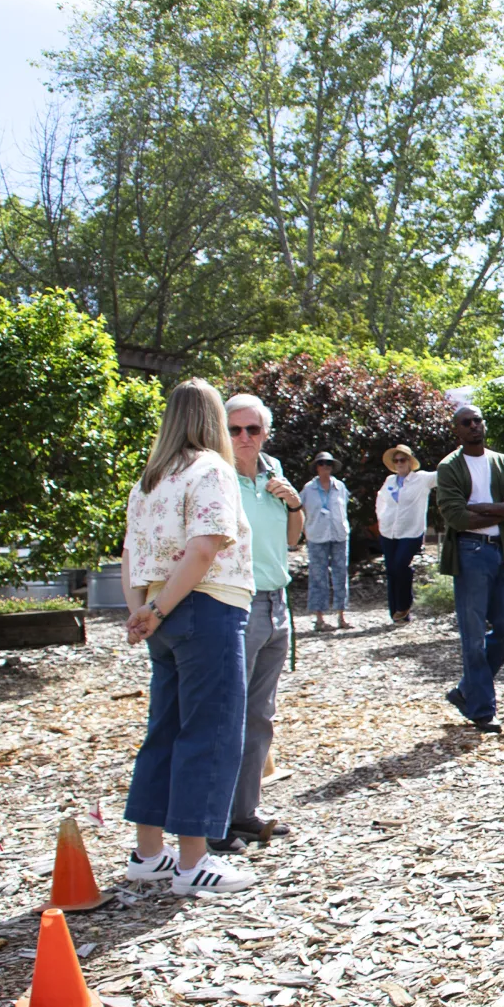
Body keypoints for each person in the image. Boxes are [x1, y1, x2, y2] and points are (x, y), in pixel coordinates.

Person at [120, 379, 258, 896]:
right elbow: (205, 548)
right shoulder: (211, 470)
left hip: (164, 614)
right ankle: (194, 861)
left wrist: (143, 611)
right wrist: (157, 608)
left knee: (165, 730)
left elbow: (131, 555)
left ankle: (149, 853)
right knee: (211, 731)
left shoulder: (150, 479)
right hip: (207, 607)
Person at [223, 393, 303, 854]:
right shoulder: (218, 476)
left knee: (261, 715)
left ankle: (245, 813)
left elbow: (294, 539)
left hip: (277, 600)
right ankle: (214, 820)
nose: (244, 438)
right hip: (238, 600)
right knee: (227, 714)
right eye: (235, 429)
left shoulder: (274, 472)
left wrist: (294, 504)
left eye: (253, 429)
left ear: (266, 432)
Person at [437, 405, 504, 733]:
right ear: (457, 430)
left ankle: (466, 690)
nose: (474, 426)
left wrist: (484, 508)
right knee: (473, 635)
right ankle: (482, 709)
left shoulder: (503, 463)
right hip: (470, 552)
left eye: (478, 420)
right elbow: (455, 516)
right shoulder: (449, 467)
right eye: (466, 423)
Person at [376, 444, 438, 625]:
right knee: (391, 571)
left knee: (400, 565)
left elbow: (444, 472)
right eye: (396, 461)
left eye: (402, 460)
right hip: (389, 532)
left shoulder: (421, 479)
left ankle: (404, 605)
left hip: (411, 532)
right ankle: (397, 612)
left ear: (410, 462)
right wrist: (381, 519)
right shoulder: (389, 481)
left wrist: (461, 453)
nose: (399, 463)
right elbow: (380, 501)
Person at [300, 452, 351, 631]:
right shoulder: (308, 489)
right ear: (316, 467)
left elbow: (344, 507)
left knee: (341, 575)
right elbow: (300, 510)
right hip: (317, 537)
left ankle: (341, 616)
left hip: (339, 536)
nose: (325, 467)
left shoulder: (340, 486)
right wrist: (305, 530)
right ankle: (320, 618)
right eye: (321, 464)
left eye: (328, 463)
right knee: (318, 576)